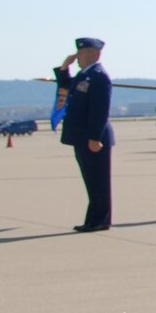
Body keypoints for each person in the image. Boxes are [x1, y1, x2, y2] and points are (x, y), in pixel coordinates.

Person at [57, 38, 114, 232]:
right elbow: (66, 86)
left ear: (95, 54)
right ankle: (93, 219)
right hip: (82, 136)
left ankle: (100, 220)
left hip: (93, 137)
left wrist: (95, 137)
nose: (78, 57)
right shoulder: (84, 75)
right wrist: (65, 67)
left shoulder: (99, 76)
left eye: (81, 54)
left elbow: (100, 110)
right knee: (91, 180)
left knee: (99, 181)